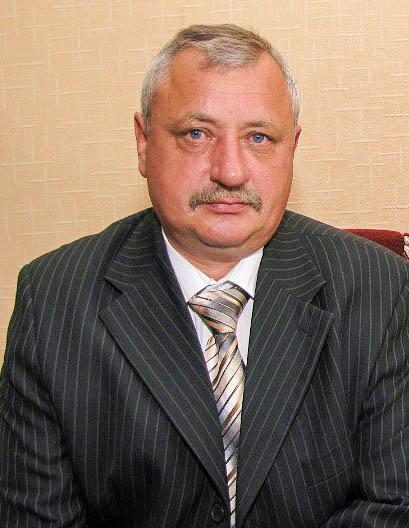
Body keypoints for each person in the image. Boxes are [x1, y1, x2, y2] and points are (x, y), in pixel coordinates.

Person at [1, 23, 409, 528]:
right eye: (196, 134)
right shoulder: (52, 301)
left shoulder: (381, 289)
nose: (230, 171)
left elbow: (395, 505)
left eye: (259, 138)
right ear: (143, 142)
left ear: (292, 147)